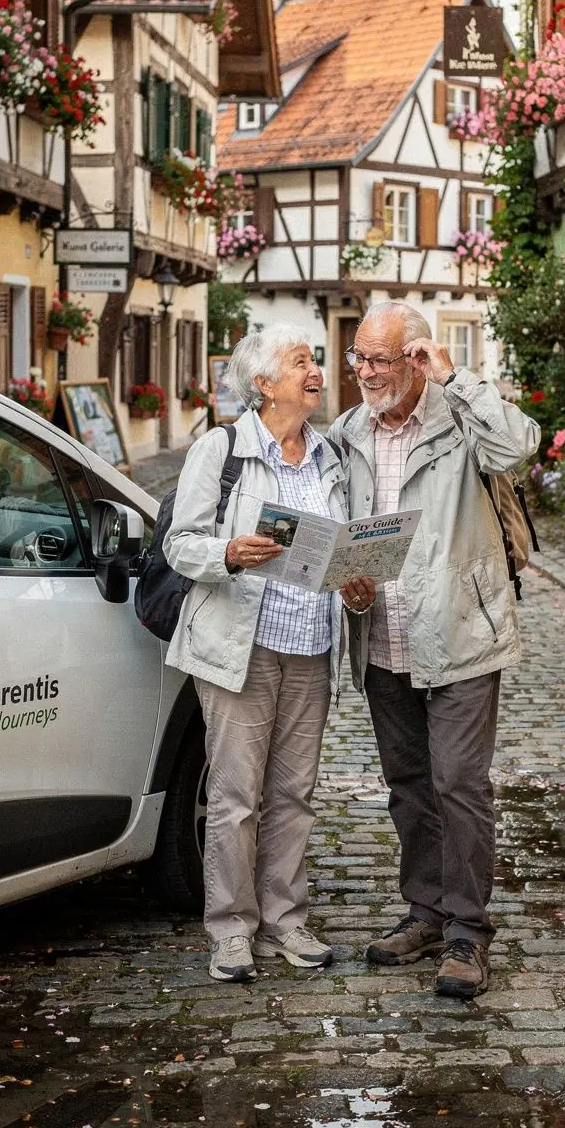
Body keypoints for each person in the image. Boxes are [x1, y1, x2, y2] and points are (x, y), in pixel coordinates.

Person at [329, 302, 540, 1000]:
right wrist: (347, 584)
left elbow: (518, 447)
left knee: (459, 784)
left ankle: (468, 933)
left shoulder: (459, 418)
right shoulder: (348, 431)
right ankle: (424, 912)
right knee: (409, 786)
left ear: (416, 357)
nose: (364, 373)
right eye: (359, 358)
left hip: (459, 633)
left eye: (380, 360)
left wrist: (456, 379)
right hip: (383, 634)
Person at [165, 324, 375, 983]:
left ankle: (286, 919)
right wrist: (227, 553)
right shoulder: (221, 449)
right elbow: (179, 542)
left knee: (294, 794)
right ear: (263, 383)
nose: (316, 370)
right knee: (234, 796)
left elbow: (339, 551)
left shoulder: (331, 455)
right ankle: (230, 928)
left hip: (311, 647)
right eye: (300, 361)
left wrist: (358, 587)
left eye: (315, 360)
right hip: (242, 649)